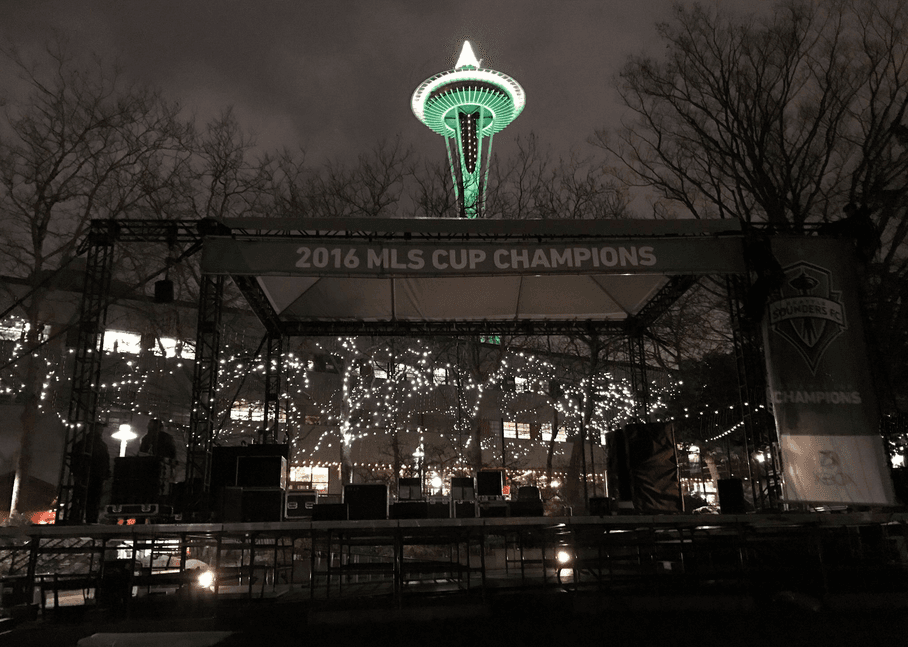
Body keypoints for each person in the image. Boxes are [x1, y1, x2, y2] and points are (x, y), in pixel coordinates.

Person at [70, 426, 111, 524]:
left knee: (79, 498)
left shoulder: (81, 444)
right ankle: (91, 520)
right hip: (96, 476)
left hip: (84, 475)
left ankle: (75, 518)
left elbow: (74, 459)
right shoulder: (101, 445)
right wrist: (105, 475)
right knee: (93, 501)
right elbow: (105, 461)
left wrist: (76, 473)